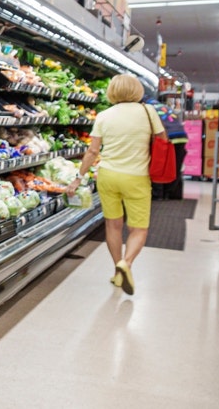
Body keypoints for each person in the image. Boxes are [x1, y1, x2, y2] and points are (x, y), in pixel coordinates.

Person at [66, 74, 165, 295]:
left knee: (113, 225)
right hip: (137, 177)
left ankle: (116, 269)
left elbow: (93, 151)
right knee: (138, 228)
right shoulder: (148, 112)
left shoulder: (104, 115)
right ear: (137, 90)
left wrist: (78, 177)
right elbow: (163, 138)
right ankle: (126, 264)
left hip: (108, 176)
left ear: (112, 91)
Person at [146, 99, 188, 200]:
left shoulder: (148, 109)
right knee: (175, 166)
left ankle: (158, 194)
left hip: (167, 136)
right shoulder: (164, 107)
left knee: (159, 164)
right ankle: (171, 194)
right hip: (181, 136)